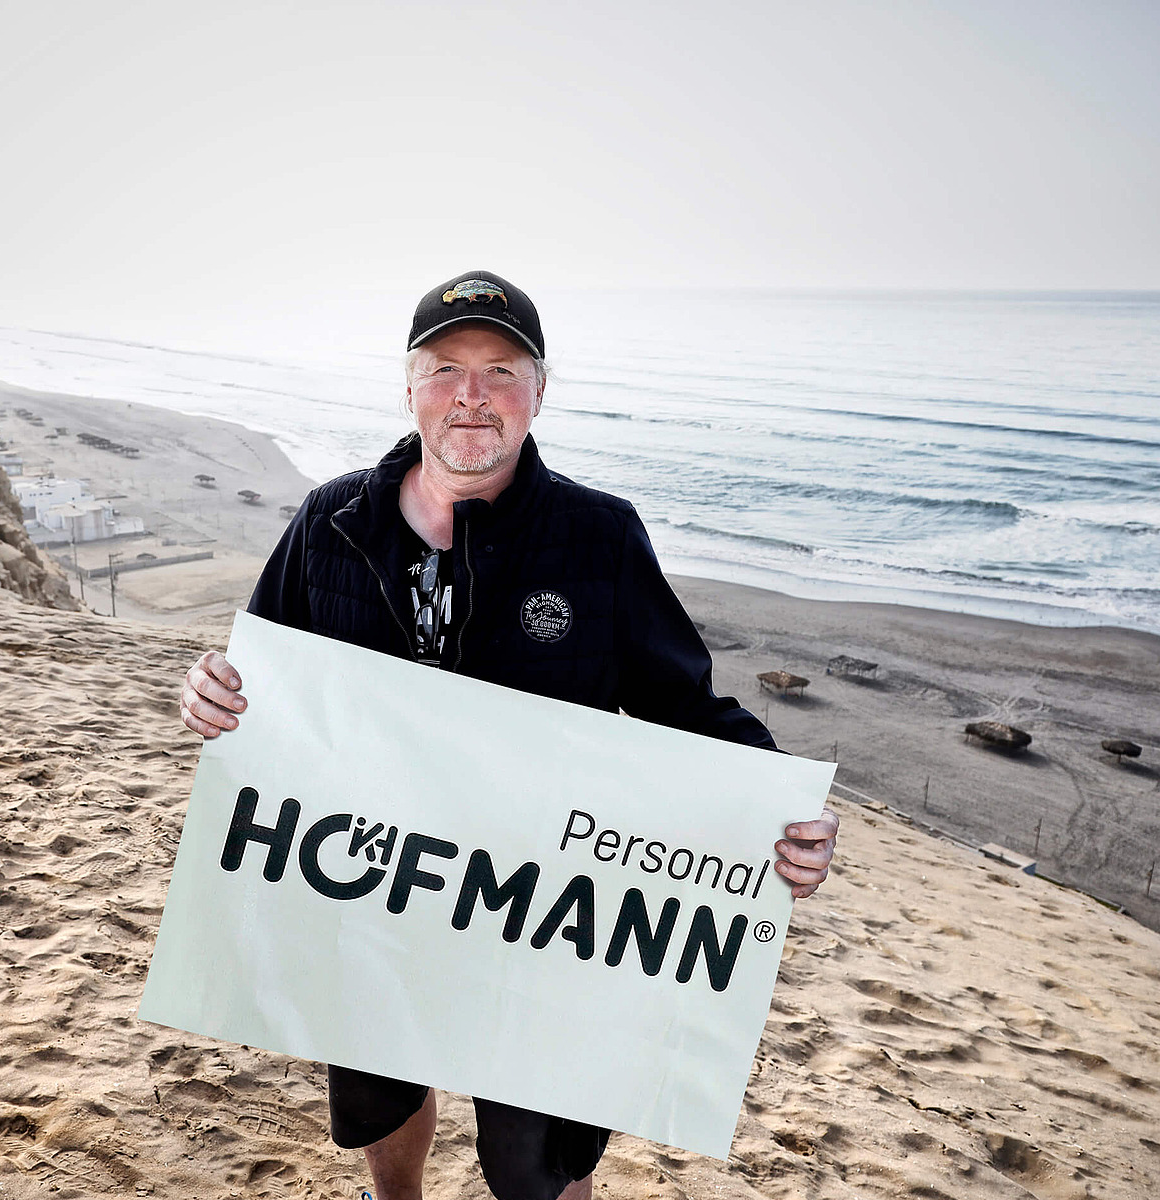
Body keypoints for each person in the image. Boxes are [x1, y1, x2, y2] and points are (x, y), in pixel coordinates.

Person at [179, 270, 839, 1200]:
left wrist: (782, 805)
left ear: (538, 390)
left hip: (536, 902)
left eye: (501, 370)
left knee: (537, 1161)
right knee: (378, 1088)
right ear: (409, 387)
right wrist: (209, 694)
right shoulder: (330, 522)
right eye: (447, 369)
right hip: (373, 882)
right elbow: (262, 681)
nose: (473, 396)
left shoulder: (598, 536)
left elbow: (684, 708)